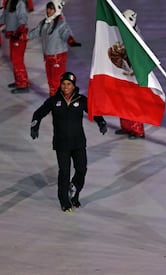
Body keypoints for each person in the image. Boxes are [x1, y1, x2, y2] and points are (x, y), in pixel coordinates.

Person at [30, 72, 108, 212]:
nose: (65, 87)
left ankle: (74, 193)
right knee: (64, 172)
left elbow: (93, 112)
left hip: (78, 143)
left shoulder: (81, 100)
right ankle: (64, 201)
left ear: (73, 86)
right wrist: (34, 126)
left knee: (81, 169)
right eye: (63, 84)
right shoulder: (54, 101)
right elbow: (38, 113)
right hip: (62, 144)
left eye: (69, 84)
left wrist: (101, 122)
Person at [27, 0, 81, 96]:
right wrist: (23, 36)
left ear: (57, 9)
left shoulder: (60, 23)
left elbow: (66, 33)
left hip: (58, 57)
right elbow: (35, 32)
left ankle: (59, 104)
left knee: (57, 82)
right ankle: (54, 101)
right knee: (51, 82)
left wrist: (70, 40)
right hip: (48, 57)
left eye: (52, 9)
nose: (49, 11)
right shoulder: (45, 22)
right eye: (48, 8)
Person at [114, 9, 145, 139]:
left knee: (133, 102)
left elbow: (139, 56)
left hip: (132, 74)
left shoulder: (136, 37)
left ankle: (138, 130)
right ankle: (126, 126)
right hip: (123, 71)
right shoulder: (122, 34)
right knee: (122, 100)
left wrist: (135, 70)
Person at [0, 0, 30, 93]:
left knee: (17, 60)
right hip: (12, 35)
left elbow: (23, 19)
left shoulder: (20, 3)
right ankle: (18, 81)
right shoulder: (10, 2)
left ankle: (24, 84)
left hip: (19, 36)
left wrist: (18, 31)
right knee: (14, 59)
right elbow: (4, 17)